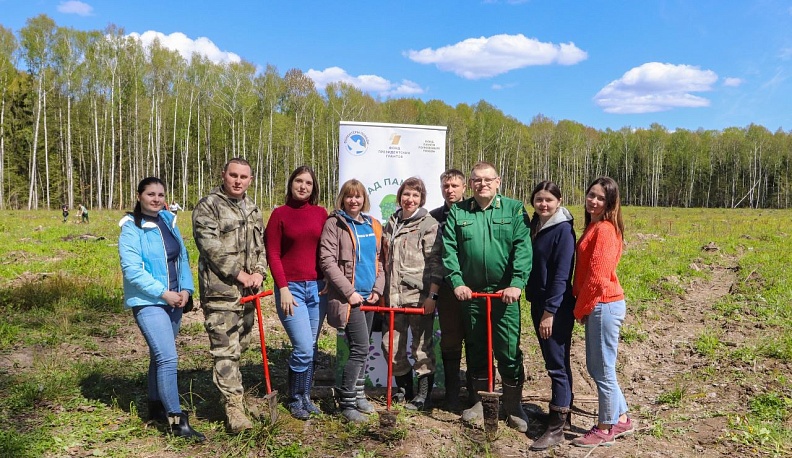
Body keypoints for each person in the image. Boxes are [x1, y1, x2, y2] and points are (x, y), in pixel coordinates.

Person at [442, 161, 533, 432]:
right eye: (476, 180)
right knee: (477, 348)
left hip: (505, 297)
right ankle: (481, 401)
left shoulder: (514, 209)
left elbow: (522, 248)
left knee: (507, 350)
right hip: (472, 296)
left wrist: (517, 283)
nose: (482, 184)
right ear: (470, 184)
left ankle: (513, 405)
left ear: (498, 182)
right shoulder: (459, 212)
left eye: (487, 179)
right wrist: (457, 282)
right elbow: (449, 251)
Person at [118, 177, 205, 441]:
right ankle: (177, 422)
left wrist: (186, 291)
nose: (156, 199)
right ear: (139, 196)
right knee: (168, 358)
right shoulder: (131, 228)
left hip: (175, 301)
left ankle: (155, 404)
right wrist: (163, 293)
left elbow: (183, 257)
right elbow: (132, 270)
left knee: (159, 356)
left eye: (160, 194)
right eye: (150, 194)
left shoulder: (167, 221)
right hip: (149, 302)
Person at [192, 158, 267, 434]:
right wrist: (239, 274)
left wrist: (259, 272)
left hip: (248, 293)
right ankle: (233, 407)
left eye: (243, 177)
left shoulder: (252, 209)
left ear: (250, 179)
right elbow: (210, 247)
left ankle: (237, 395)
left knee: (240, 347)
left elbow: (261, 247)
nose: (238, 181)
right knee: (225, 351)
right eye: (233, 175)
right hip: (220, 292)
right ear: (223, 175)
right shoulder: (209, 206)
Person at [570, 176, 634, 448]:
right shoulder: (595, 226)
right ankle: (621, 418)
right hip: (600, 303)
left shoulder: (605, 230)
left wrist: (580, 309)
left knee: (601, 368)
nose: (593, 201)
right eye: (591, 195)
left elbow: (597, 277)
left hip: (603, 304)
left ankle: (606, 427)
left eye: (600, 198)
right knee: (602, 366)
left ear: (610, 202)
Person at [264, 166, 328, 420]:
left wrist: (328, 281)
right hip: (291, 291)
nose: (303, 186)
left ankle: (305, 397)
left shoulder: (321, 214)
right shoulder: (279, 215)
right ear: (291, 184)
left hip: (318, 289)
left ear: (314, 188)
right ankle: (294, 397)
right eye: (299, 181)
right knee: (302, 345)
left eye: (308, 183)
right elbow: (273, 254)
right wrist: (283, 288)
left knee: (310, 346)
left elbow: (328, 250)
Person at [319, 179, 384, 422]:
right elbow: (327, 261)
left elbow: (380, 260)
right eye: (349, 196)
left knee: (363, 347)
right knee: (359, 349)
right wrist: (349, 293)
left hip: (370, 297)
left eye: (358, 196)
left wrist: (378, 289)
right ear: (343, 199)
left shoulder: (373, 224)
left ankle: (358, 395)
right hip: (350, 299)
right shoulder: (334, 224)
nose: (353, 200)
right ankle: (347, 403)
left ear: (364, 199)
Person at [381, 177, 442, 411]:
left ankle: (423, 395)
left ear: (421, 199)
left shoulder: (429, 224)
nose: (410, 199)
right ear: (400, 196)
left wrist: (432, 297)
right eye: (407, 194)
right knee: (391, 347)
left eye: (415, 195)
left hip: (418, 297)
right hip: (393, 297)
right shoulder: (391, 223)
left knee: (422, 348)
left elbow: (437, 264)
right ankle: (404, 390)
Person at [526, 181, 576, 451]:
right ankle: (562, 414)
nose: (543, 204)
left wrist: (549, 313)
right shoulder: (538, 226)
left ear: (559, 201)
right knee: (556, 360)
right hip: (540, 302)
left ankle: (557, 428)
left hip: (554, 307)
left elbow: (560, 276)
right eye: (538, 200)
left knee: (556, 364)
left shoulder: (563, 231)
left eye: (548, 200)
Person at [428, 169, 471, 411]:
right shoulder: (434, 217)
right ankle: (452, 395)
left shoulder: (475, 213)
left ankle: (477, 394)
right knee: (451, 341)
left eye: (455, 185)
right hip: (446, 289)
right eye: (446, 186)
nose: (450, 190)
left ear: (464, 187)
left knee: (476, 340)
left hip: (473, 288)